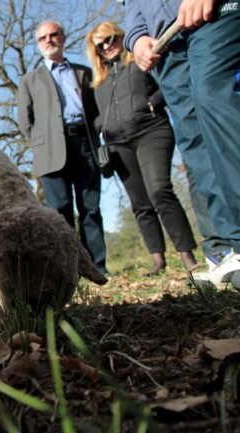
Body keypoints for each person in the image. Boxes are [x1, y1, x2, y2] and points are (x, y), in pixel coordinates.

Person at [124, 0, 240, 286]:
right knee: (195, 141)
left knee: (215, 100)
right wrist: (136, 36)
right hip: (166, 46)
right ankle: (227, 250)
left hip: (212, 15)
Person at [86, 21, 198, 276]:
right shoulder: (99, 82)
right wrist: (101, 123)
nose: (107, 47)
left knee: (160, 190)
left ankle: (187, 254)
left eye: (111, 39)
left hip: (151, 132)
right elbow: (93, 114)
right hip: (118, 144)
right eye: (100, 45)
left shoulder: (138, 61)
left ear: (120, 37)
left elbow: (166, 84)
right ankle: (158, 259)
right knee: (140, 203)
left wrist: (152, 103)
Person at [17, 21, 108, 274]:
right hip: (51, 151)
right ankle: (68, 269)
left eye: (53, 34)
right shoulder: (29, 80)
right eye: (42, 37)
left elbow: (95, 110)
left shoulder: (84, 73)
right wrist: (45, 140)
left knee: (90, 208)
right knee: (59, 214)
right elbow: (25, 122)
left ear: (63, 38)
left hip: (85, 144)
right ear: (38, 44)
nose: (49, 40)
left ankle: (97, 266)